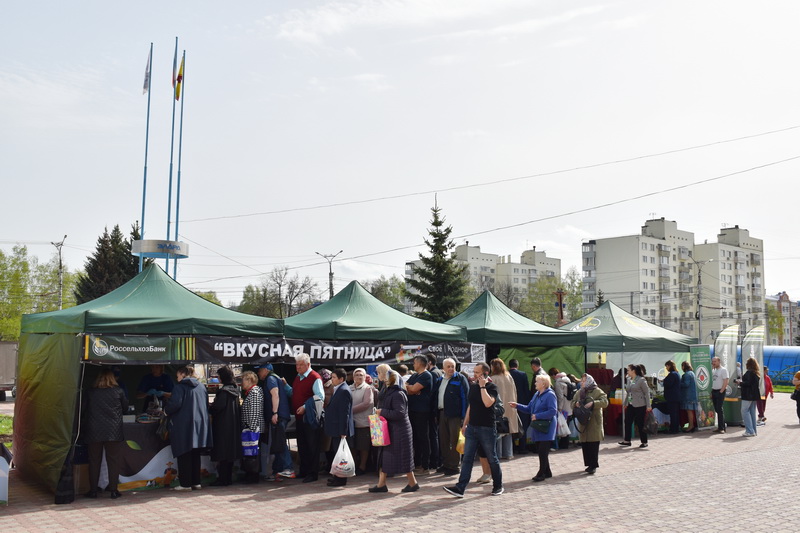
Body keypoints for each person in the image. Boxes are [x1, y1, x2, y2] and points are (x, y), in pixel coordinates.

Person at [443, 362, 504, 498]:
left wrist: (483, 386)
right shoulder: (473, 387)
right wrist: (465, 424)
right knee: (467, 459)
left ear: (485, 373)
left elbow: (488, 403)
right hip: (472, 428)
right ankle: (460, 488)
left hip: (487, 428)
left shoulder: (492, 387)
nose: (474, 374)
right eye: (474, 372)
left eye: (477, 372)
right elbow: (471, 406)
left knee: (492, 458)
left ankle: (498, 486)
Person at [368, 370, 419, 493]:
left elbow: (399, 413)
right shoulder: (390, 392)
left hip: (399, 431)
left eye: (386, 377)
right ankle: (382, 484)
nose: (383, 379)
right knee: (386, 457)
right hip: (392, 430)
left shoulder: (397, 394)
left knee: (402, 458)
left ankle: (412, 483)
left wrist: (381, 412)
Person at [83, 368, 128, 499]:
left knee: (94, 461)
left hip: (93, 431)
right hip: (113, 431)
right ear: (113, 378)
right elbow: (125, 408)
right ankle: (114, 490)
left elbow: (84, 409)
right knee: (113, 461)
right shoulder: (118, 391)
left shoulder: (90, 392)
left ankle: (93, 491)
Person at [165, 365, 212, 491]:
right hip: (200, 425)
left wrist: (165, 411)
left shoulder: (179, 387)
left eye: (178, 375)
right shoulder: (202, 386)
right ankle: (196, 482)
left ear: (182, 374)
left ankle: (185, 484)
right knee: (195, 454)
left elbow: (174, 404)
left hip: (183, 425)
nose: (177, 378)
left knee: (183, 453)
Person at [510, 374, 557, 482]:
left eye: (537, 381)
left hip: (546, 427)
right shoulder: (536, 394)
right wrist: (517, 405)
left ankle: (541, 473)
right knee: (541, 449)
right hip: (537, 426)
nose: (535, 383)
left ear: (544, 383)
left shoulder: (550, 395)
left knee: (542, 451)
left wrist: (538, 416)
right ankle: (547, 471)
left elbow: (553, 411)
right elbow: (529, 408)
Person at [255, 363, 294, 481]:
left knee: (280, 442)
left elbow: (275, 394)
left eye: (260, 370)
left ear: (266, 370)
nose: (258, 373)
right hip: (281, 415)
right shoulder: (275, 378)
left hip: (279, 416)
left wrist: (275, 413)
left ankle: (288, 468)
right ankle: (278, 471)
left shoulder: (270, 378)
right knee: (277, 443)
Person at [431, 357, 469, 476]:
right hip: (442, 413)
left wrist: (464, 417)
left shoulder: (460, 379)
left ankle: (454, 466)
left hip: (455, 415)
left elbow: (465, 398)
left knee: (454, 440)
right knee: (444, 440)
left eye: (453, 366)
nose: (451, 368)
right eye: (448, 366)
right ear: (443, 368)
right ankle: (446, 464)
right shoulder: (439, 380)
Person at [291, 353, 325, 483]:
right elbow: (295, 394)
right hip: (300, 418)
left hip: (310, 418)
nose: (298, 367)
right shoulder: (297, 377)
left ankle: (312, 473)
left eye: (301, 365)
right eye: (297, 365)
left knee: (312, 446)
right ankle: (304, 470)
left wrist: (305, 407)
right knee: (302, 445)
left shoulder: (315, 377)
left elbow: (320, 397)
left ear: (308, 365)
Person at [209, 366, 241, 486]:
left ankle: (222, 479)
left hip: (222, 426)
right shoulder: (235, 390)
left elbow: (218, 407)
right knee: (230, 454)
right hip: (233, 426)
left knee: (222, 453)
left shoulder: (223, 392)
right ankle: (228, 478)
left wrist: (210, 407)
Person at [570, 373, 608, 475]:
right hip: (583, 421)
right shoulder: (579, 392)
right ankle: (588, 464)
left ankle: (593, 465)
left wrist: (593, 403)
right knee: (585, 444)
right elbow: (572, 402)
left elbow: (605, 402)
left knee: (593, 444)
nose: (581, 382)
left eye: (583, 381)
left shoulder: (597, 391)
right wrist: (576, 404)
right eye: (581, 381)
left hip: (594, 422)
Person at [325, 368, 354, 487]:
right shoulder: (338, 389)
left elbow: (344, 413)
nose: (332, 380)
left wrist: (343, 431)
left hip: (340, 429)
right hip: (335, 428)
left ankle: (341, 479)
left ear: (341, 379)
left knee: (341, 454)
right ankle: (336, 476)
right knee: (337, 453)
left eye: (334, 378)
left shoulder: (344, 391)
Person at [405, 355, 433, 475]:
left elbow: (413, 389)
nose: (413, 365)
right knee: (415, 438)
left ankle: (425, 466)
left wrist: (413, 389)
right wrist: (412, 389)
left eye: (415, 362)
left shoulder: (427, 375)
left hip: (423, 411)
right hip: (413, 410)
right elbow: (405, 386)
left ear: (420, 363)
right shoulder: (415, 375)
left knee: (423, 438)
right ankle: (416, 464)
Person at [489, 358, 518, 460]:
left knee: (498, 430)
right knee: (508, 431)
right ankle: (509, 453)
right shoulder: (509, 377)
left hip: (499, 408)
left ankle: (499, 454)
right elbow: (514, 392)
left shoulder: (493, 378)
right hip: (510, 407)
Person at [240, 370, 264, 484]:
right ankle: (250, 473)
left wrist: (251, 428)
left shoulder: (254, 393)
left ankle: (253, 475)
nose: (242, 383)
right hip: (251, 428)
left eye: (243, 380)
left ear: (250, 380)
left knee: (252, 453)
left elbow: (254, 412)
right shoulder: (251, 392)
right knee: (250, 453)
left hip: (252, 429)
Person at [349, 367, 374, 476]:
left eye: (361, 375)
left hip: (363, 422)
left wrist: (349, 410)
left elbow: (366, 404)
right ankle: (355, 464)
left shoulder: (368, 388)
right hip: (351, 422)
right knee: (353, 446)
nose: (359, 377)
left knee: (363, 446)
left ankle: (362, 466)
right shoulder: (349, 388)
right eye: (357, 375)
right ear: (353, 377)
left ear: (365, 377)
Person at [619, 364, 651, 448]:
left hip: (640, 404)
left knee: (640, 423)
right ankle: (627, 440)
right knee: (627, 421)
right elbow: (628, 392)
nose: (627, 372)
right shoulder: (629, 379)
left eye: (629, 370)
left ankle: (644, 441)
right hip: (630, 404)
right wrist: (625, 403)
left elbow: (646, 393)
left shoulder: (641, 380)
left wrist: (648, 405)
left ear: (633, 371)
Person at [508, 359, 532, 454]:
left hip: (510, 403)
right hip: (522, 403)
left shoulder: (507, 375)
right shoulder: (523, 374)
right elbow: (526, 390)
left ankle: (512, 447)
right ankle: (522, 447)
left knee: (511, 425)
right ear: (517, 365)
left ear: (509, 366)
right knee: (523, 425)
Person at [426, 353, 443, 470]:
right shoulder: (438, 372)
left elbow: (432, 393)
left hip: (433, 409)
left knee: (433, 436)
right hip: (436, 409)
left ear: (429, 363)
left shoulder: (433, 373)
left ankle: (435, 461)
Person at [549, 368, 573, 449]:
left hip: (563, 406)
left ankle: (563, 444)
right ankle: (565, 443)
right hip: (569, 405)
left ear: (553, 375)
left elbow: (560, 397)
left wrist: (559, 408)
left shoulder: (558, 382)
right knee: (566, 425)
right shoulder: (566, 379)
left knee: (563, 425)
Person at [740, 357, 761, 437]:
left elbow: (747, 384)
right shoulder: (756, 373)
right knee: (752, 412)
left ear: (748, 364)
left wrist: (740, 383)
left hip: (747, 395)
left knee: (744, 411)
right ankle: (753, 430)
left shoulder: (749, 373)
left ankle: (749, 430)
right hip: (754, 395)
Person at [662, 360, 681, 434]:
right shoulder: (676, 373)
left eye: (666, 366)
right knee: (675, 413)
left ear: (669, 366)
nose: (666, 368)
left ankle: (673, 429)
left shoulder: (672, 374)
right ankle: (675, 428)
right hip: (676, 397)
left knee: (673, 414)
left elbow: (668, 384)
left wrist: (663, 381)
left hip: (672, 397)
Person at [711, 357, 729, 434]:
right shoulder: (714, 370)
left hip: (720, 391)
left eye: (715, 361)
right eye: (712, 361)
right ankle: (720, 426)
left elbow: (726, 381)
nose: (713, 363)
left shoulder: (723, 370)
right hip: (714, 390)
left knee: (719, 408)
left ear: (719, 361)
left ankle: (722, 428)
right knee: (717, 409)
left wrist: (721, 391)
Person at [680, 361, 699, 433]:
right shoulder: (692, 373)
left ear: (684, 366)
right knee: (691, 411)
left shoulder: (686, 374)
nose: (681, 368)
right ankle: (691, 425)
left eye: (682, 366)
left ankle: (691, 426)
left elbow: (686, 384)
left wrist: (679, 383)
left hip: (688, 396)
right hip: (692, 395)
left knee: (689, 411)